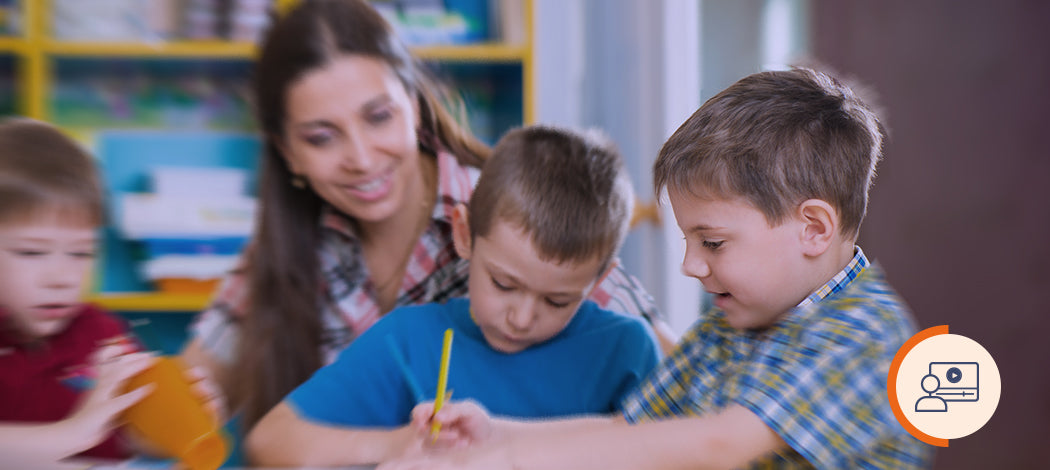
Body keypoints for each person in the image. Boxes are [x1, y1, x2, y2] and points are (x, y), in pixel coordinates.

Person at [378, 67, 933, 470]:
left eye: (712, 242)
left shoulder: (861, 335)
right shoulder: (734, 322)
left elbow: (719, 445)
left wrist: (504, 461)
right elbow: (631, 430)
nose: (692, 265)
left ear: (813, 228)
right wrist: (495, 437)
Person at [180, 0, 675, 435]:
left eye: (378, 117)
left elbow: (686, 389)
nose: (361, 157)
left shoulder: (510, 214)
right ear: (288, 153)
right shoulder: (285, 251)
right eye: (321, 137)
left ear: (414, 107)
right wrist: (167, 406)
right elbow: (192, 401)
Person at [244, 125, 661, 467]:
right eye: (503, 283)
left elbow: (677, 452)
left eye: (557, 301)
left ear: (601, 277)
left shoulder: (627, 352)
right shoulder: (409, 339)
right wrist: (392, 446)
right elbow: (271, 440)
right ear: (463, 234)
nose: (521, 317)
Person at [0, 119, 158, 462]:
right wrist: (71, 433)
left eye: (81, 253)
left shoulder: (104, 335)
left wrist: (184, 417)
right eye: (32, 252)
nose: (62, 278)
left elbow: (140, 437)